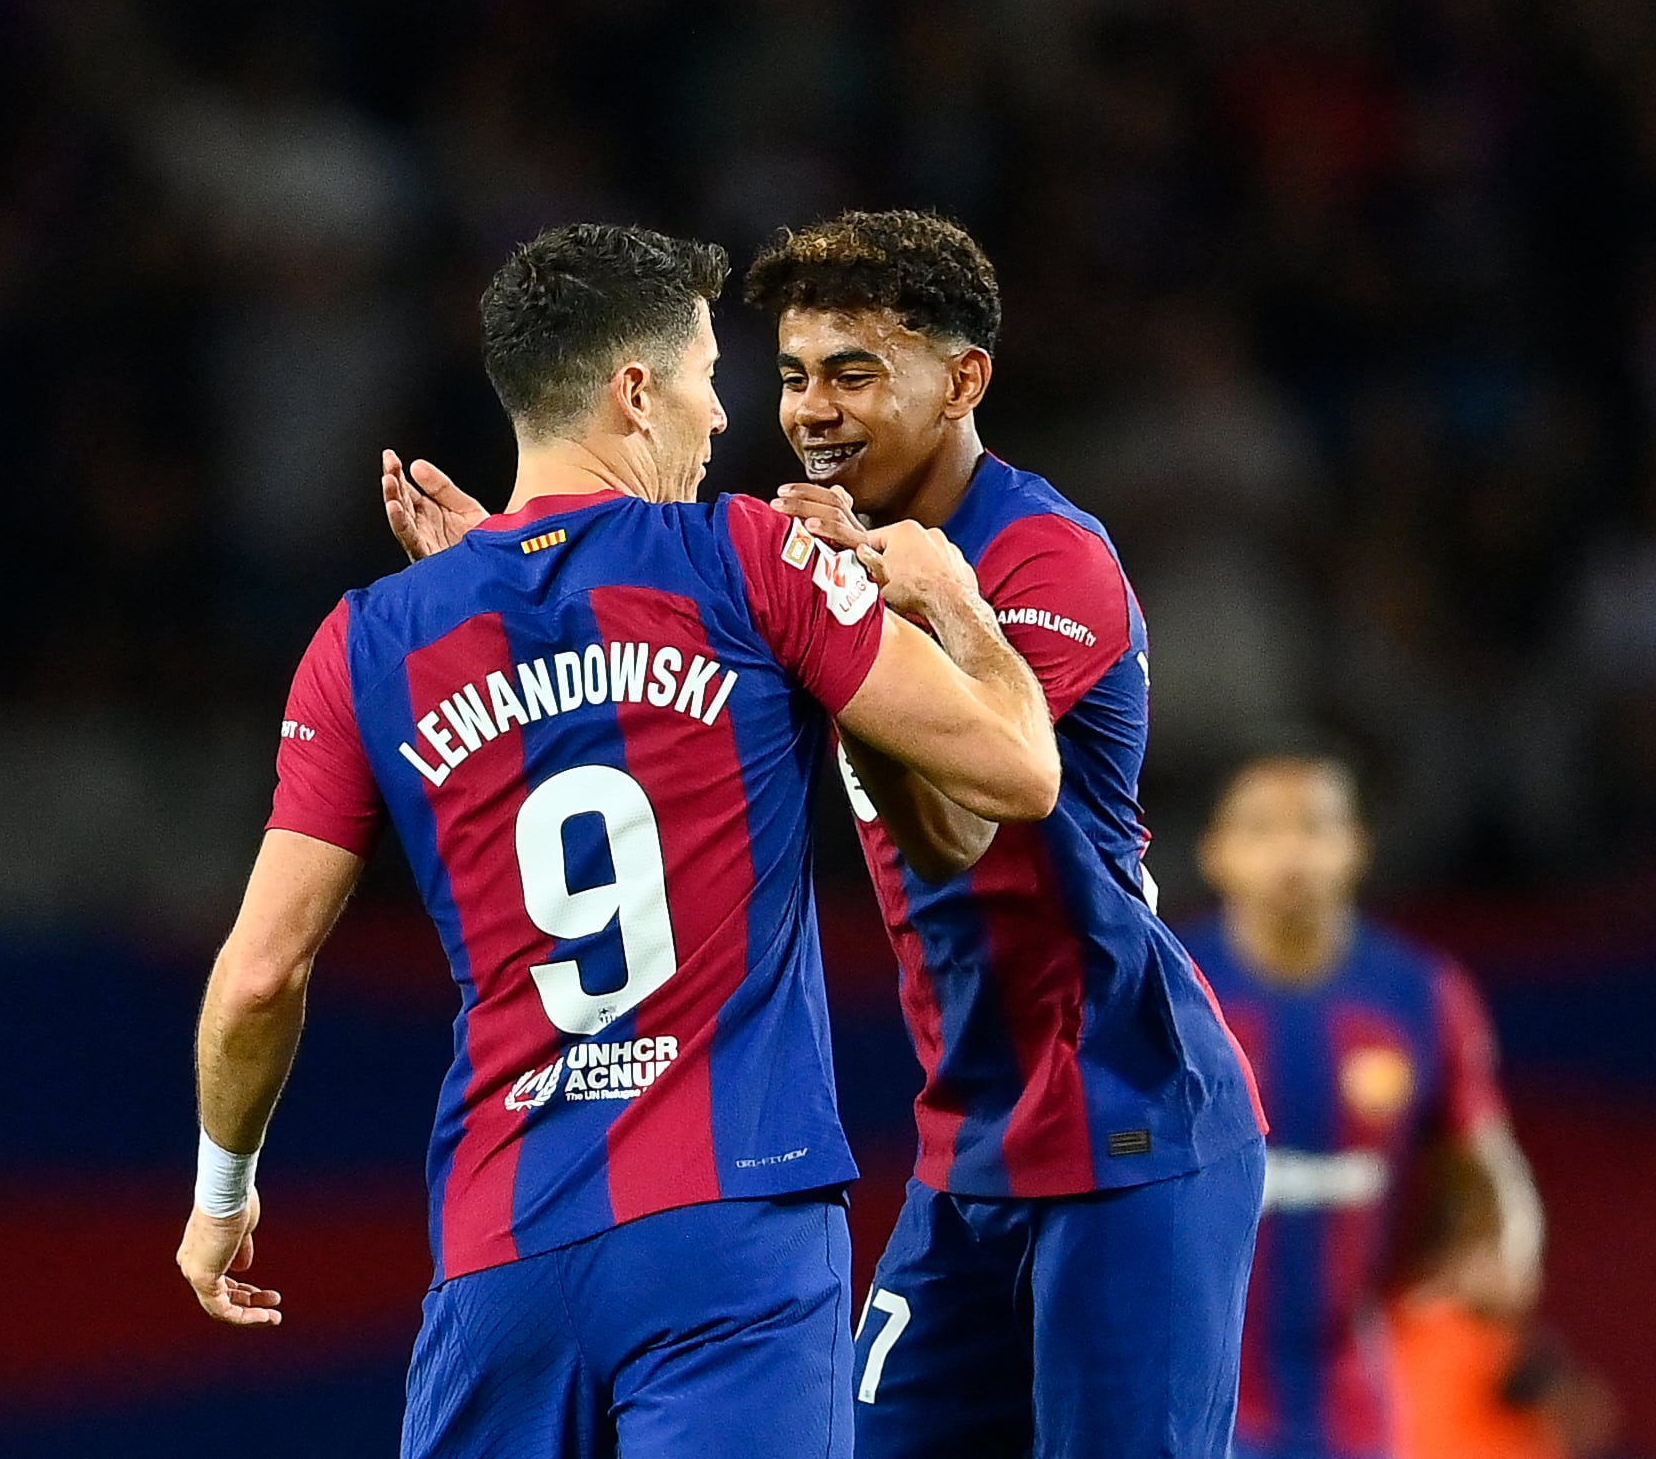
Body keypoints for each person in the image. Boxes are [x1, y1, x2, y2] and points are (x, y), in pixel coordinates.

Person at [388, 209, 1268, 1459]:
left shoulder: (1040, 562)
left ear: (962, 380)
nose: (810, 409)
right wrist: (495, 577)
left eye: (854, 373)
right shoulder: (809, 553)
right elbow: (632, 682)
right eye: (795, 375)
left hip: (1130, 1125)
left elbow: (963, 826)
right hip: (968, 1143)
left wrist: (924, 613)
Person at [175, 222, 1063, 1459]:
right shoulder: (751, 556)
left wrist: (222, 1190)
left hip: (502, 1251)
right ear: (634, 389)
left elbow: (259, 973)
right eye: (707, 376)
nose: (721, 417)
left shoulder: (370, 640)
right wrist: (957, 603)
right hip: (731, 1230)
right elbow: (1018, 773)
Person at [1182, 742, 1547, 1459]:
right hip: (1194, 1402)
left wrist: (1507, 1241)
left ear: (1357, 848)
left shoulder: (1419, 996)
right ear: (1215, 853)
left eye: (1315, 827)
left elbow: (1486, 1157)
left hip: (1352, 1408)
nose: (1292, 853)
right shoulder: (1168, 994)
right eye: (1261, 829)